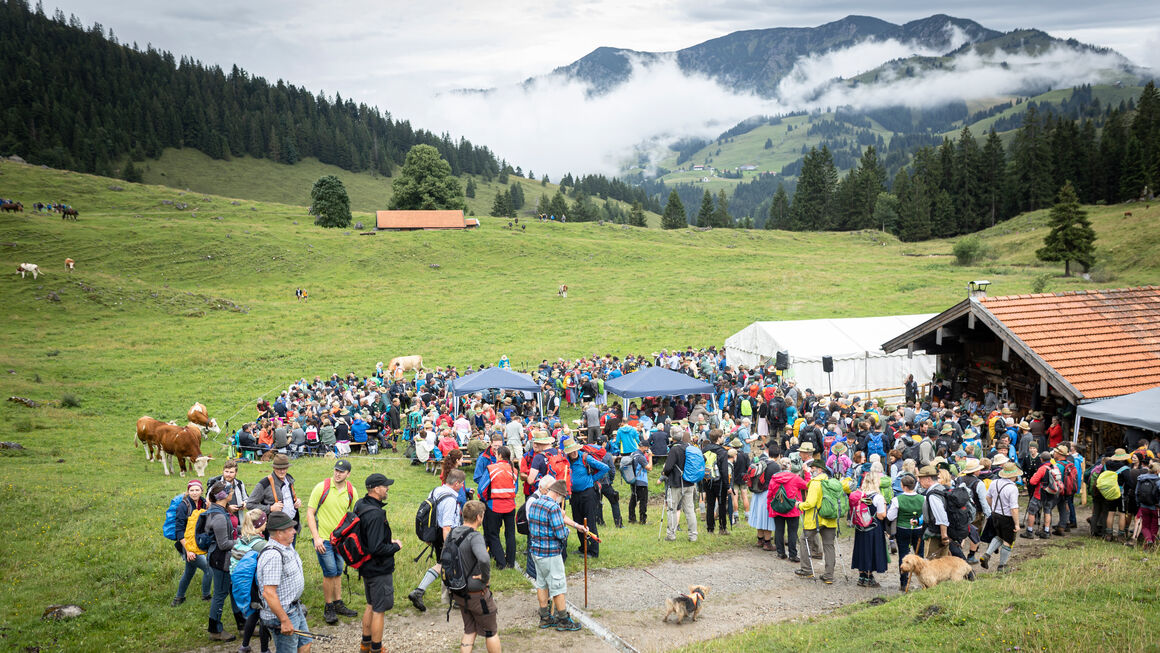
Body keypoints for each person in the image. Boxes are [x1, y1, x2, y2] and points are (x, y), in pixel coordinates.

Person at [528, 479, 587, 631]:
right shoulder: (553, 508)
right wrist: (567, 529)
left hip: (536, 551)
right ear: (559, 494)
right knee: (558, 586)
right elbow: (561, 534)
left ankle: (545, 617)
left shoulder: (535, 502)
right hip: (550, 554)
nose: (563, 500)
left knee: (541, 584)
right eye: (563, 497)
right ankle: (563, 619)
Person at [306, 459, 359, 625]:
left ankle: (338, 603)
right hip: (324, 540)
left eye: (341, 471)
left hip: (341, 541)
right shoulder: (321, 487)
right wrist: (316, 538)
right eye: (336, 470)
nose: (338, 473)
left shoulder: (351, 491)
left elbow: (355, 516)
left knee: (337, 571)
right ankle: (328, 606)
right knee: (329, 571)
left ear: (348, 474)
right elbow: (310, 513)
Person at [354, 473, 402, 653]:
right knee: (379, 610)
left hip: (365, 565)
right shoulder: (375, 514)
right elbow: (376, 548)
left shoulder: (361, 504)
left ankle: (365, 644)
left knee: (371, 604)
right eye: (385, 486)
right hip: (378, 568)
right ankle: (376, 648)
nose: (387, 488)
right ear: (375, 489)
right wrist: (395, 546)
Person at [408, 469, 465, 612]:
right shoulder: (451, 500)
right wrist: (449, 545)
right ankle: (420, 591)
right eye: (462, 484)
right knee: (447, 563)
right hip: (445, 534)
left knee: (446, 564)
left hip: (434, 532)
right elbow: (446, 526)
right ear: (457, 483)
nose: (462, 486)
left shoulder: (436, 490)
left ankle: (453, 597)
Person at [257, 512, 313, 653]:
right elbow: (268, 593)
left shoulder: (287, 546)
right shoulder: (273, 556)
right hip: (283, 613)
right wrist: (284, 620)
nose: (295, 531)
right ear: (279, 533)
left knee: (305, 644)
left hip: (295, 607)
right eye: (290, 529)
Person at [450, 500, 502, 653]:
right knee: (491, 631)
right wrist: (485, 577)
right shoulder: (475, 536)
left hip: (459, 592)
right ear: (479, 517)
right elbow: (484, 558)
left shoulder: (453, 533)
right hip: (476, 594)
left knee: (469, 630)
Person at [205, 482, 244, 641]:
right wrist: (243, 542)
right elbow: (224, 544)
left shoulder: (219, 510)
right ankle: (215, 630)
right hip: (220, 560)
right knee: (220, 594)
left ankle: (243, 624)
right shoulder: (219, 516)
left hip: (223, 559)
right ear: (224, 496)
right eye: (230, 492)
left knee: (233, 591)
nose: (232, 493)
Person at [796, 459, 842, 584]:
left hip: (815, 519)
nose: (811, 470)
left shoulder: (815, 483)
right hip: (830, 519)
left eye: (813, 468)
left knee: (804, 540)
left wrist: (800, 505)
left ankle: (806, 569)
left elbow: (810, 503)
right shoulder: (831, 482)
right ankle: (829, 575)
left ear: (819, 469)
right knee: (829, 545)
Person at [233, 509, 271, 653]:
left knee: (254, 613)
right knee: (264, 615)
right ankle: (264, 649)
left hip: (246, 584)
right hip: (256, 585)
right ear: (259, 524)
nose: (266, 523)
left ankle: (244, 646)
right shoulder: (260, 544)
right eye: (265, 521)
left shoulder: (243, 537)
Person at [563, 440, 609, 557]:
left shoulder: (585, 458)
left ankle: (594, 551)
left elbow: (605, 468)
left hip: (588, 494)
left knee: (590, 521)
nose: (573, 453)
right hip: (574, 495)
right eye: (570, 451)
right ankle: (583, 548)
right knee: (578, 521)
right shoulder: (566, 461)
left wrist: (591, 479)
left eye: (574, 450)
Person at [172, 479, 212, 607]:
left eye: (197, 490)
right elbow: (179, 532)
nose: (194, 493)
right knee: (208, 569)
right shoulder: (183, 506)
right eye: (191, 490)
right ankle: (206, 596)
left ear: (201, 491)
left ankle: (179, 598)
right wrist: (188, 550)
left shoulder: (204, 503)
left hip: (198, 543)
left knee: (189, 572)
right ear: (188, 491)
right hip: (187, 546)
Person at [478, 445, 518, 569]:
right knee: (510, 534)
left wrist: (486, 499)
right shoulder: (513, 470)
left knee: (493, 534)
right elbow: (515, 489)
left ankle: (501, 562)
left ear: (499, 455)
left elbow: (482, 488)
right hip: (510, 505)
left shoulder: (491, 468)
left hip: (494, 505)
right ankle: (511, 562)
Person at [979, 462, 1022, 572]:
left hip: (995, 515)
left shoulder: (995, 482)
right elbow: (1014, 508)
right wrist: (1017, 524)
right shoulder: (1012, 488)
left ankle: (987, 555)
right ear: (1013, 475)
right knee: (1008, 540)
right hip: (1007, 517)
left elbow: (988, 497)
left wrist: (994, 508)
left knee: (999, 536)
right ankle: (1002, 566)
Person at [850, 468, 888, 587]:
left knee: (861, 549)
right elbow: (882, 516)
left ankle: (861, 576)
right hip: (873, 527)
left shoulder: (859, 495)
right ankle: (868, 576)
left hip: (860, 527)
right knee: (871, 551)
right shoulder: (878, 497)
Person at [247, 454, 302, 535]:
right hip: (275, 530)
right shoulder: (264, 483)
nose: (282, 471)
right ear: (274, 467)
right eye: (279, 468)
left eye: (284, 468)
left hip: (291, 525)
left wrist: (296, 501)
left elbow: (288, 498)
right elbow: (249, 504)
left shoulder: (289, 479)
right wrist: (270, 508)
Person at [660, 428, 699, 542]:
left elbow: (668, 467)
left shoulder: (674, 449)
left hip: (676, 483)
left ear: (672, 437)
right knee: (690, 510)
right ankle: (693, 535)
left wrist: (664, 473)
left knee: (672, 509)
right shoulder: (689, 447)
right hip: (689, 482)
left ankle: (671, 535)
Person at [887, 473, 925, 589]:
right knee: (920, 555)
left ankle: (903, 583)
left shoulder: (897, 500)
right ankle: (923, 581)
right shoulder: (923, 498)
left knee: (903, 555)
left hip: (902, 529)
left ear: (903, 486)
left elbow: (890, 516)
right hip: (918, 529)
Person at [919, 466, 965, 561]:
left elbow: (941, 516)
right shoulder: (942, 488)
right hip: (943, 531)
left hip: (936, 533)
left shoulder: (933, 495)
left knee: (933, 563)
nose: (919, 481)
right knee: (943, 561)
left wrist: (944, 536)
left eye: (921, 478)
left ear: (928, 479)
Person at [766, 458, 808, 560]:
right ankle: (792, 554)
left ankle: (780, 553)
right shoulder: (795, 478)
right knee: (792, 532)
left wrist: (769, 507)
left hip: (777, 507)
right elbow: (807, 485)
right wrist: (806, 473)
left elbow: (770, 495)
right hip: (792, 507)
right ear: (790, 466)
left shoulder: (774, 478)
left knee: (779, 531)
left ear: (780, 466)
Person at [956, 459, 991, 563]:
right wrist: (988, 514)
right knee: (974, 534)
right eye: (978, 470)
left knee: (960, 533)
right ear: (975, 471)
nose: (980, 471)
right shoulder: (978, 483)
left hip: (960, 510)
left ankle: (958, 555)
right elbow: (983, 501)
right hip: (976, 513)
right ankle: (971, 556)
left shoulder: (959, 479)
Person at [702, 429, 733, 535]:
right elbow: (724, 470)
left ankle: (710, 528)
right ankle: (722, 528)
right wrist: (727, 485)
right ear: (718, 438)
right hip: (719, 482)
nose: (723, 438)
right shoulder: (722, 451)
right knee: (721, 504)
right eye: (722, 436)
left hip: (707, 480)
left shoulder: (705, 449)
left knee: (710, 504)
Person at [626, 439, 653, 524]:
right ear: (645, 447)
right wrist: (650, 457)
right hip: (641, 481)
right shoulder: (641, 457)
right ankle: (642, 520)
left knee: (633, 500)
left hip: (633, 480)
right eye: (647, 447)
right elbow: (649, 468)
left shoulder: (633, 454)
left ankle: (632, 519)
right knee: (643, 501)